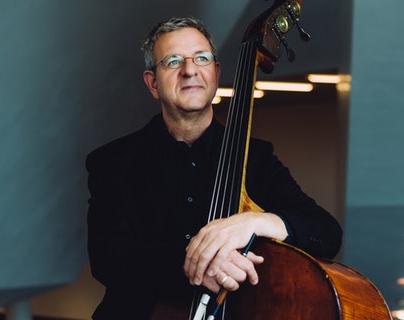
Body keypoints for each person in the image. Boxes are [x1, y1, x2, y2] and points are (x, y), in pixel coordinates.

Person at [85, 16, 342, 319]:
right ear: (153, 83)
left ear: (215, 73)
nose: (190, 70)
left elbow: (326, 233)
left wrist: (256, 222)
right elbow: (108, 259)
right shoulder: (113, 162)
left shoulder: (257, 159)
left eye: (201, 58)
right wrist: (195, 262)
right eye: (172, 61)